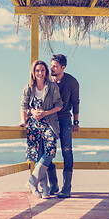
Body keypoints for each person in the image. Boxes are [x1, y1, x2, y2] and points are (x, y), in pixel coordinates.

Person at [19, 60, 63, 199]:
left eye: (42, 70)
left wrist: (45, 113)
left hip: (49, 123)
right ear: (33, 72)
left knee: (50, 150)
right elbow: (23, 106)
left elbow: (59, 105)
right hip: (33, 124)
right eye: (37, 70)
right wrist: (24, 120)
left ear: (46, 72)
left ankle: (32, 181)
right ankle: (44, 189)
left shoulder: (52, 87)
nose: (40, 73)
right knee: (38, 154)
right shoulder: (28, 88)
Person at [47, 54, 80, 198]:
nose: (51, 68)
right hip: (49, 120)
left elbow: (76, 102)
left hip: (66, 119)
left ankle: (67, 187)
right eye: (51, 65)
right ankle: (53, 185)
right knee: (47, 151)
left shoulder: (72, 82)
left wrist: (76, 122)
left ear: (63, 67)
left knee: (67, 151)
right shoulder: (47, 80)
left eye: (55, 66)